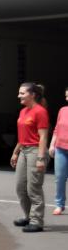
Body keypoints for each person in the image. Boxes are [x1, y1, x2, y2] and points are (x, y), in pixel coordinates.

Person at [11, 82, 50, 233]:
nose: (18, 96)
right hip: (24, 150)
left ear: (32, 95)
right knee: (20, 187)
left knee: (33, 188)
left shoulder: (40, 112)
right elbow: (22, 137)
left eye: (22, 93)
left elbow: (43, 137)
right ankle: (28, 216)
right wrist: (15, 152)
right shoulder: (23, 112)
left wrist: (41, 158)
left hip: (35, 151)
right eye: (19, 93)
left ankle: (37, 221)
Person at [49, 86, 68, 215]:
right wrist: (51, 145)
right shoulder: (62, 110)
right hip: (60, 148)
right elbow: (56, 129)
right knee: (60, 177)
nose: (66, 98)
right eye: (66, 96)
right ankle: (59, 204)